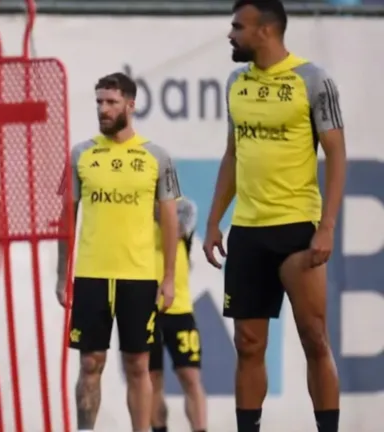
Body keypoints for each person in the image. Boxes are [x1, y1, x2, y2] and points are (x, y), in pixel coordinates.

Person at [202, 1, 345, 431]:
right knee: (248, 345)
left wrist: (327, 227)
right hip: (247, 230)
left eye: (237, 27)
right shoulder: (235, 82)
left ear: (265, 30)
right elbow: (232, 154)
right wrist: (214, 221)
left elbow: (336, 154)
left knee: (314, 339)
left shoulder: (312, 80)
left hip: (297, 228)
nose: (230, 34)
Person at [55, 72, 181, 432]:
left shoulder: (156, 156)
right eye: (99, 102)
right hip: (92, 275)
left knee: (138, 366)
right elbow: (67, 219)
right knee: (90, 363)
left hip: (139, 277)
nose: (103, 109)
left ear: (131, 104)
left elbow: (170, 222)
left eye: (110, 102)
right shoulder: (81, 153)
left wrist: (169, 278)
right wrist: (62, 275)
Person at [149, 196, 207, 432]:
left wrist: (146, 204)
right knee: (152, 381)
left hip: (180, 307)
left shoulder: (183, 206)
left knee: (191, 377)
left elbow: (175, 228)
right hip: (145, 309)